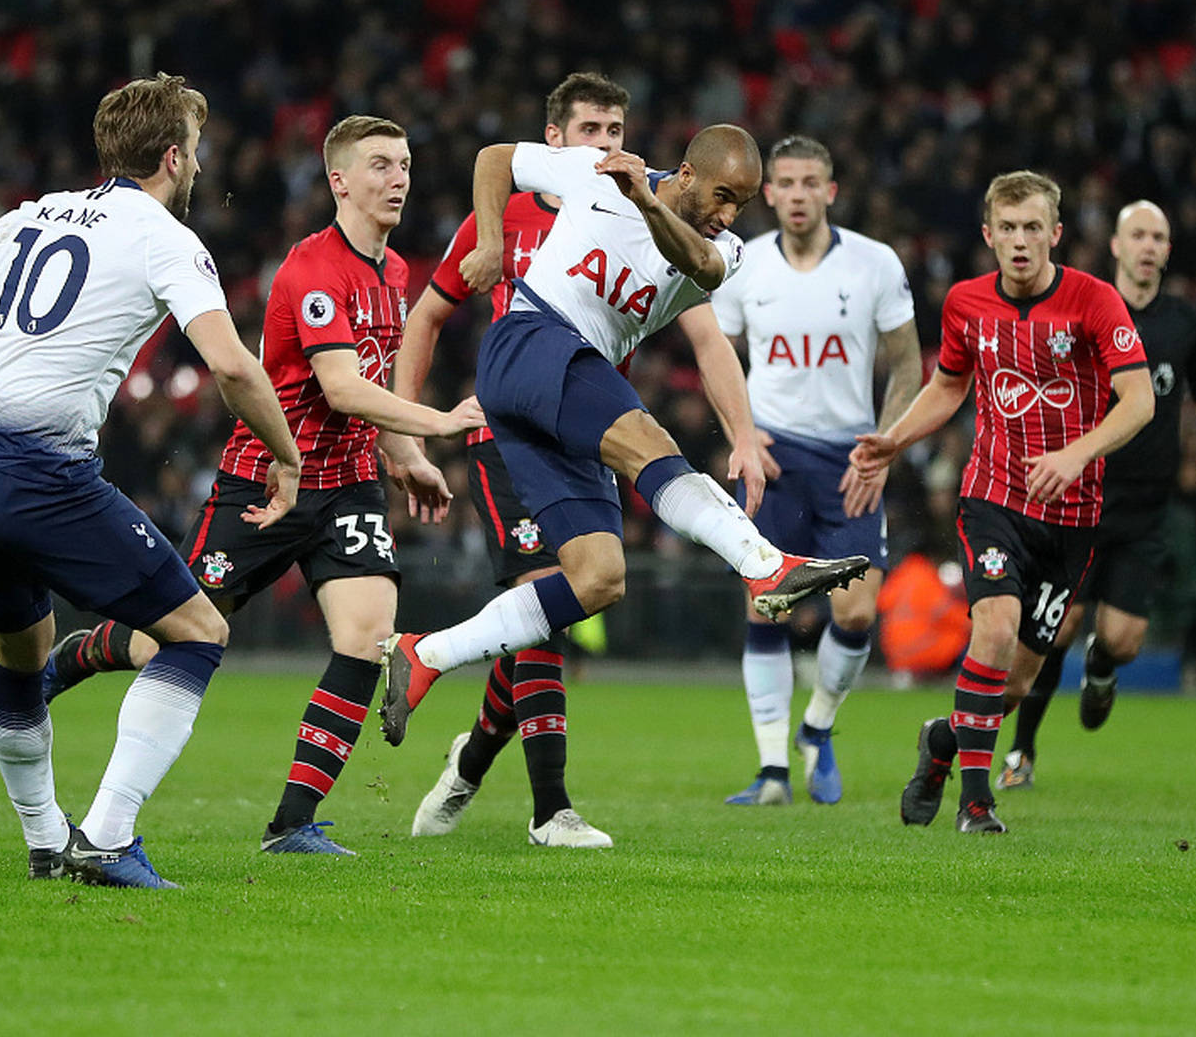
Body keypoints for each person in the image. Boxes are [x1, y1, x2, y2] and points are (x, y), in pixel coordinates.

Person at [0, 73, 302, 888]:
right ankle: (106, 839)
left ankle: (45, 844)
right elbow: (230, 366)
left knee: (21, 653)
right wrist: (286, 457)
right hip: (38, 471)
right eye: (197, 150)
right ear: (175, 157)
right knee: (197, 631)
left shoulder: (26, 215)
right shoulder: (165, 237)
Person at [43, 115, 485, 857]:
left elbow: (371, 384)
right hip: (266, 483)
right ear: (339, 181)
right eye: (379, 165)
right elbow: (341, 388)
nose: (398, 178)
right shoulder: (313, 269)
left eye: (405, 164)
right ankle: (89, 651)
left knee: (369, 637)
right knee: (170, 641)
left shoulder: (396, 272)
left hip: (347, 488)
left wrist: (405, 453)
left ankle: (292, 824)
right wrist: (439, 421)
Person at [376, 124, 872, 745]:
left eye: (740, 204)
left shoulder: (725, 247)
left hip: (564, 389)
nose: (728, 214)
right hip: (532, 339)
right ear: (688, 174)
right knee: (649, 440)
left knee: (599, 577)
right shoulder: (592, 172)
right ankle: (763, 564)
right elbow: (493, 159)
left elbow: (700, 265)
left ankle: (427, 654)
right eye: (721, 196)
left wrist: (647, 201)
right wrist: (495, 239)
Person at [851, 170, 1153, 833]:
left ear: (1056, 234)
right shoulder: (965, 303)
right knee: (990, 630)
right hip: (994, 496)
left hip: (1072, 517)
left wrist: (1077, 455)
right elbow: (948, 386)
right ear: (988, 235)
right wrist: (893, 440)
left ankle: (942, 745)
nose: (1021, 241)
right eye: (1008, 229)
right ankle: (976, 803)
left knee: (1014, 684)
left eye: (1033, 228)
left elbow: (1141, 400)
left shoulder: (1095, 302)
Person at [393, 73, 634, 848]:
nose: (607, 144)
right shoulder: (504, 212)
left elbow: (699, 332)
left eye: (617, 130)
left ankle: (472, 758)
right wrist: (409, 429)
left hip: (586, 431)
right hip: (508, 433)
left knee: (566, 603)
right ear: (553, 141)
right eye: (591, 129)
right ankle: (550, 811)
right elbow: (427, 315)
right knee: (542, 600)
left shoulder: (633, 214)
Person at [713, 135, 922, 806]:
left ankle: (818, 726)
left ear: (829, 191)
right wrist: (743, 435)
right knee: (768, 602)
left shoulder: (874, 264)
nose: (798, 194)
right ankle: (772, 769)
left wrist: (886, 444)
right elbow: (716, 356)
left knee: (857, 611)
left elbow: (910, 364)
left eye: (811, 183)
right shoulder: (743, 266)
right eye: (786, 183)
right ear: (767, 192)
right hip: (775, 454)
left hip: (849, 457)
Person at [998, 200, 1196, 789]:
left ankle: (1102, 670)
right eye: (1138, 236)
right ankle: (1021, 754)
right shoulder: (1084, 311)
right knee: (1056, 629)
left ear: (1167, 250)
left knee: (1122, 640)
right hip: (1078, 498)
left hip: (1145, 508)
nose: (1149, 246)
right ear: (1118, 248)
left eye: (1159, 236)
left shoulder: (1189, 326)